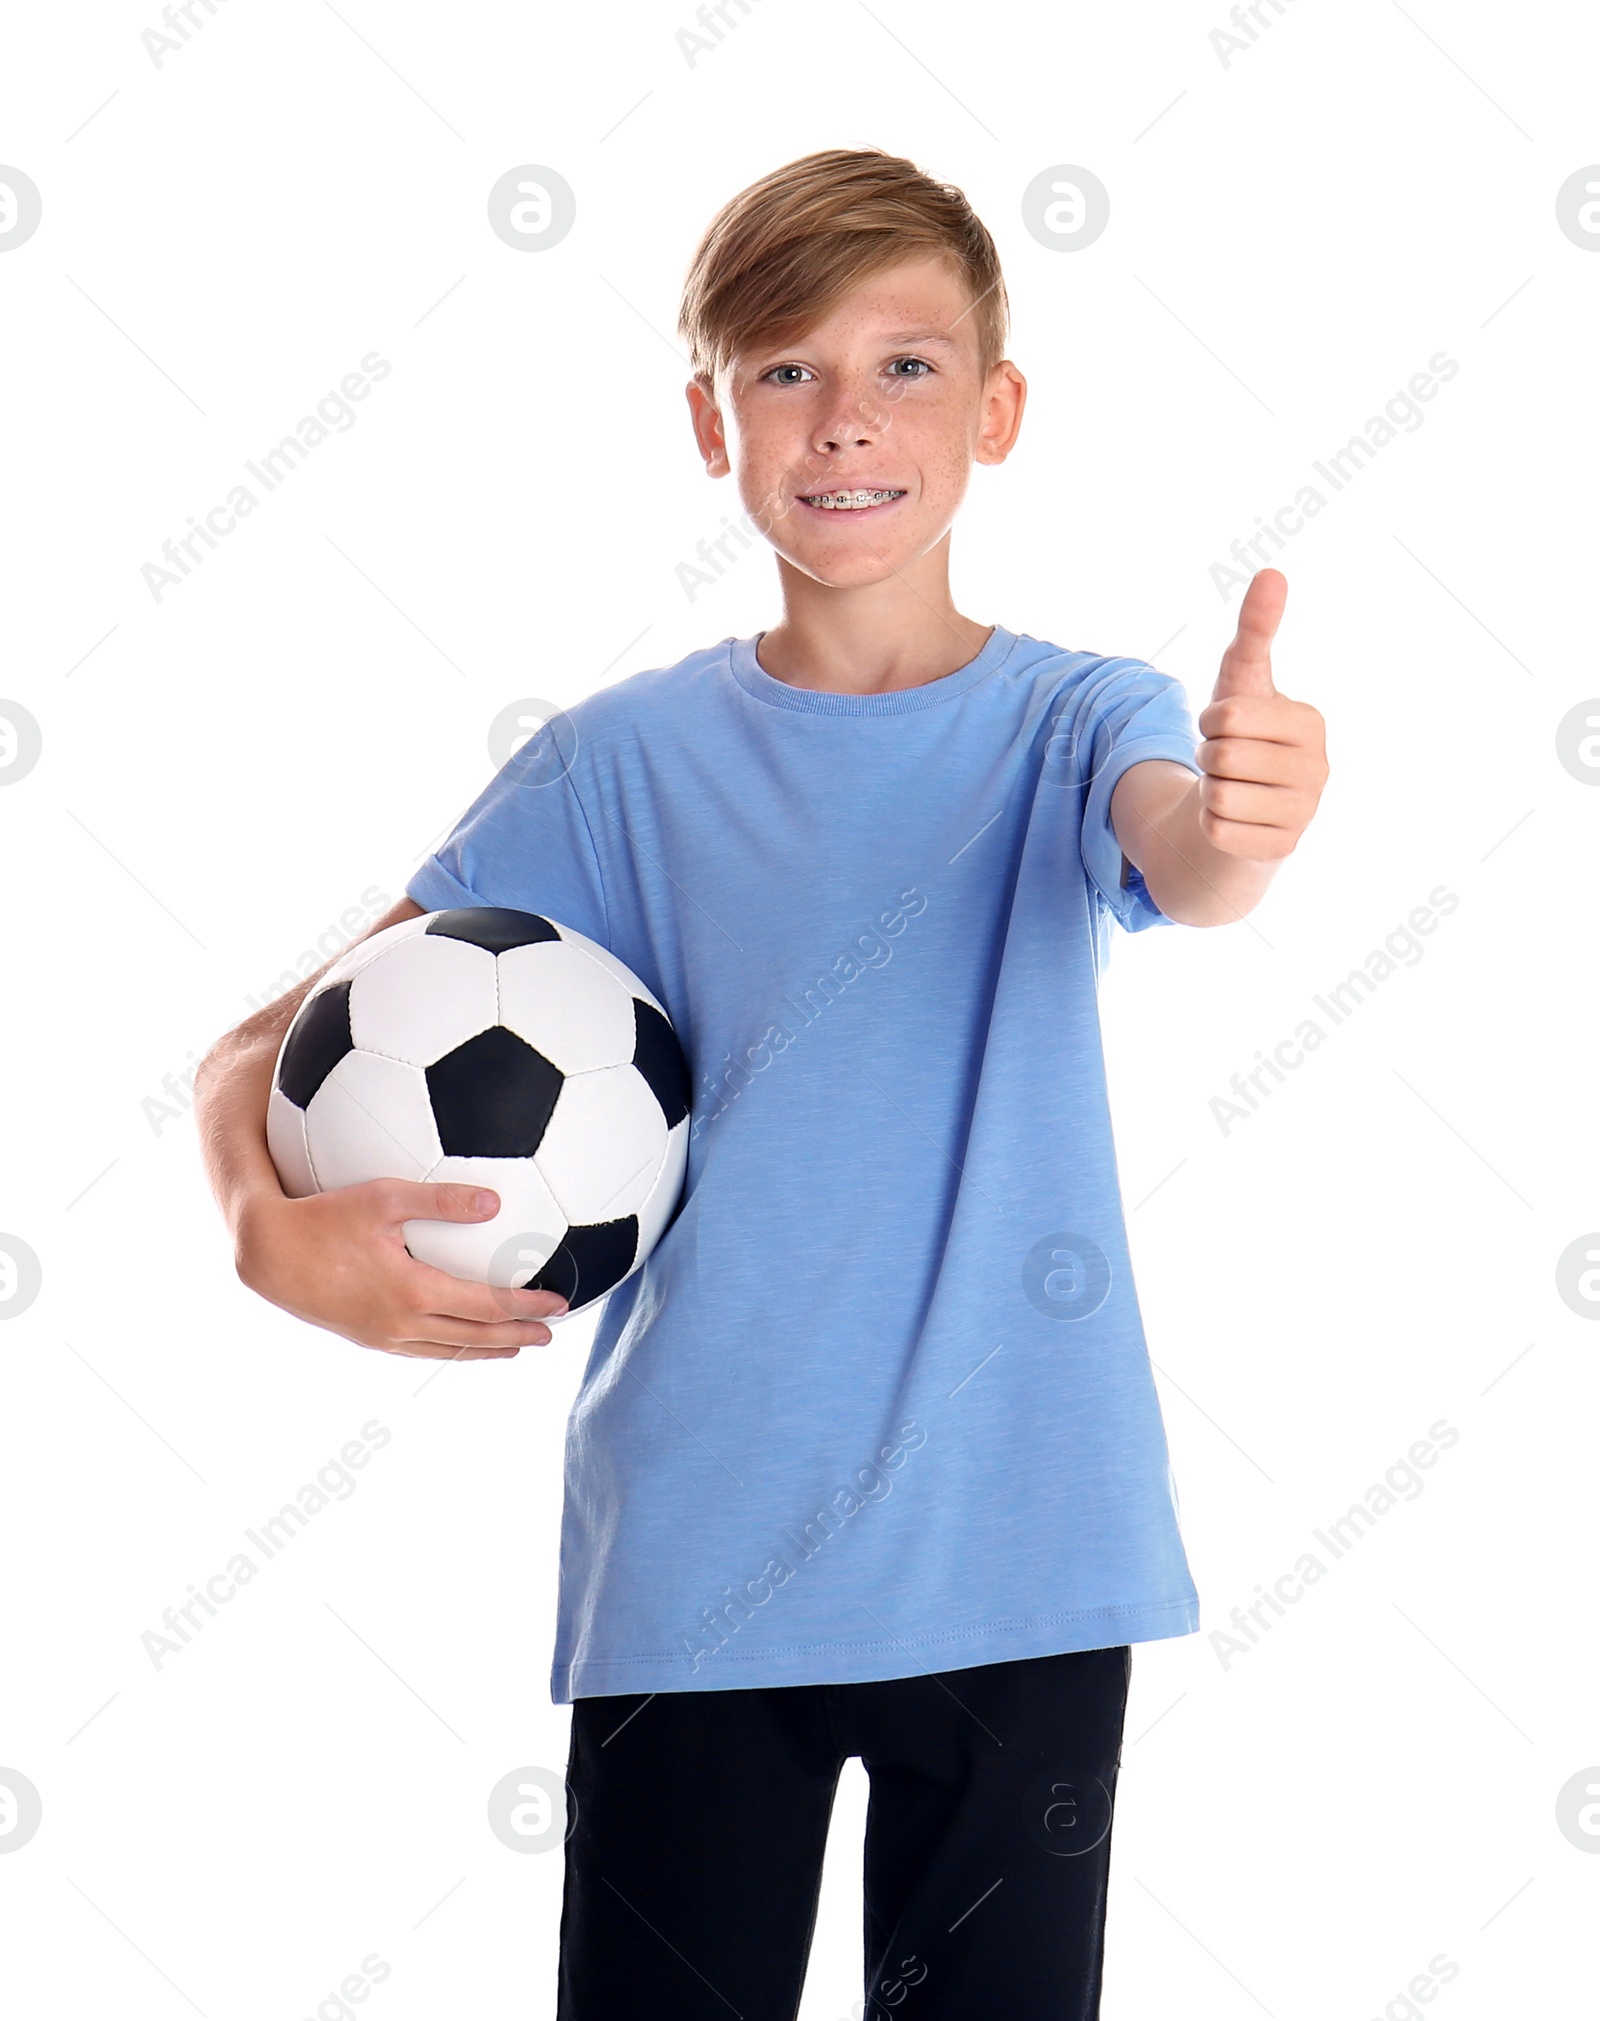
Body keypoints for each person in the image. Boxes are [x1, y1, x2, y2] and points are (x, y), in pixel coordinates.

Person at [194, 148, 1328, 2019]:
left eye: (906, 364)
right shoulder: (614, 768)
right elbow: (266, 1042)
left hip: (1021, 1558)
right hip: (698, 1563)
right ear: (708, 420)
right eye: (785, 369)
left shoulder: (1079, 719)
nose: (845, 418)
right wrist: (262, 1228)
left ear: (999, 408)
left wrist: (1248, 815)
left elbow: (1190, 854)